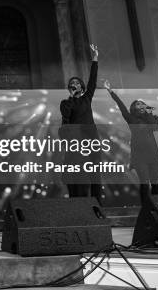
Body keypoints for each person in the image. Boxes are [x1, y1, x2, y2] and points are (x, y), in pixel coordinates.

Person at [104, 80, 158, 203]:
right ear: (133, 108)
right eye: (137, 104)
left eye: (142, 104)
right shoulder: (131, 118)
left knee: (156, 183)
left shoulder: (150, 119)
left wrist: (149, 112)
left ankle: (157, 205)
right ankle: (146, 206)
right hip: (139, 156)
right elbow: (120, 105)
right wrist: (111, 91)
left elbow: (155, 127)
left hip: (153, 155)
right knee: (145, 183)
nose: (140, 105)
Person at [60, 44, 102, 202]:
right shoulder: (66, 102)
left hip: (91, 138)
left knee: (95, 174)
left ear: (82, 86)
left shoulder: (87, 98)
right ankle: (80, 205)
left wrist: (95, 59)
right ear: (70, 88)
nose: (75, 84)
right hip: (77, 142)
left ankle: (98, 205)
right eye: (73, 84)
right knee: (79, 174)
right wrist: (72, 97)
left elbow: (93, 80)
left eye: (78, 83)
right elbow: (66, 116)